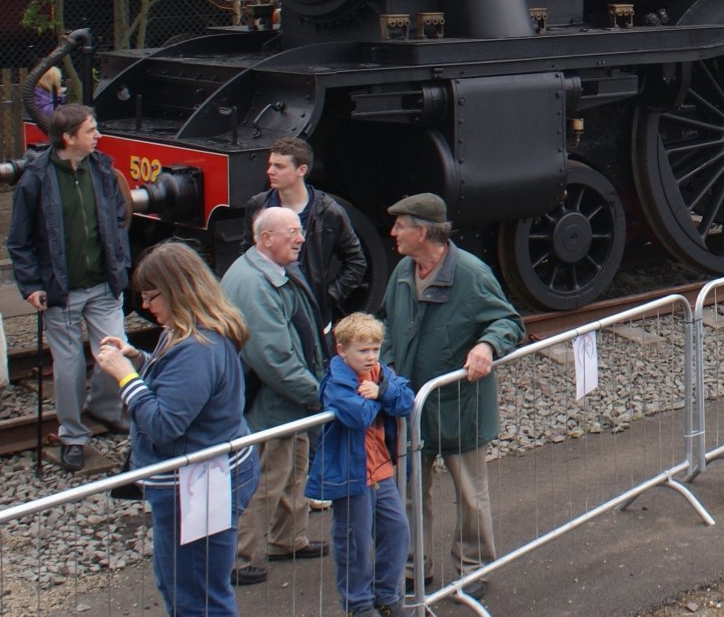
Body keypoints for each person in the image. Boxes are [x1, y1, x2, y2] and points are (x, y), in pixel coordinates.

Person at [94, 242, 261, 616]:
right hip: (203, 480)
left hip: (198, 486)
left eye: (150, 297)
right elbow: (185, 389)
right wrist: (139, 358)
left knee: (196, 596)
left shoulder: (197, 347)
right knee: (182, 584)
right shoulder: (194, 333)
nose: (145, 306)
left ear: (176, 291)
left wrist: (126, 379)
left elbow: (164, 423)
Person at [380, 193, 523, 602]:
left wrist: (488, 346)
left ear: (422, 231)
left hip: (461, 406)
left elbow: (507, 320)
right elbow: (388, 322)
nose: (393, 233)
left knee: (470, 494)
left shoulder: (472, 274)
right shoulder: (404, 272)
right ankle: (411, 569)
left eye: (400, 226)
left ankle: (474, 567)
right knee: (408, 492)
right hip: (411, 407)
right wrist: (385, 365)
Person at [5, 104, 130, 472]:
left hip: (104, 286)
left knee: (117, 353)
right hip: (62, 291)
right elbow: (19, 240)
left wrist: (120, 267)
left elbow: (118, 219)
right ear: (69, 137)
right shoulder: (36, 179)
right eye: (91, 131)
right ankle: (73, 435)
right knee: (69, 367)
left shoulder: (103, 170)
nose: (98, 136)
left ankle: (105, 409)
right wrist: (30, 285)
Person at [222, 205, 329, 585]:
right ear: (265, 239)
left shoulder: (270, 270)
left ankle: (287, 537)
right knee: (266, 479)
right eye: (292, 232)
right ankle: (240, 557)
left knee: (294, 465)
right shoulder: (254, 284)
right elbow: (273, 358)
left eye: (300, 231)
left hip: (288, 401)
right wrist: (318, 394)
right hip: (272, 403)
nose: (301, 239)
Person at [307, 313, 415, 617]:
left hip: (380, 468)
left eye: (375, 350)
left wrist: (380, 392)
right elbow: (357, 416)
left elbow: (407, 399)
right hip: (351, 474)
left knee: (396, 529)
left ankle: (386, 595)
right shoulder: (336, 380)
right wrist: (382, 399)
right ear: (342, 350)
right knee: (354, 541)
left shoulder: (380, 374)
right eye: (362, 351)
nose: (370, 357)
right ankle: (357, 604)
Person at [240, 137, 368, 325]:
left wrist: (328, 297)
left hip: (312, 314)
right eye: (270, 165)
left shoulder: (329, 212)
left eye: (279, 166)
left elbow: (356, 262)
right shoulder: (258, 205)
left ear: (302, 170)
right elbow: (246, 252)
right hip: (268, 306)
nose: (270, 171)